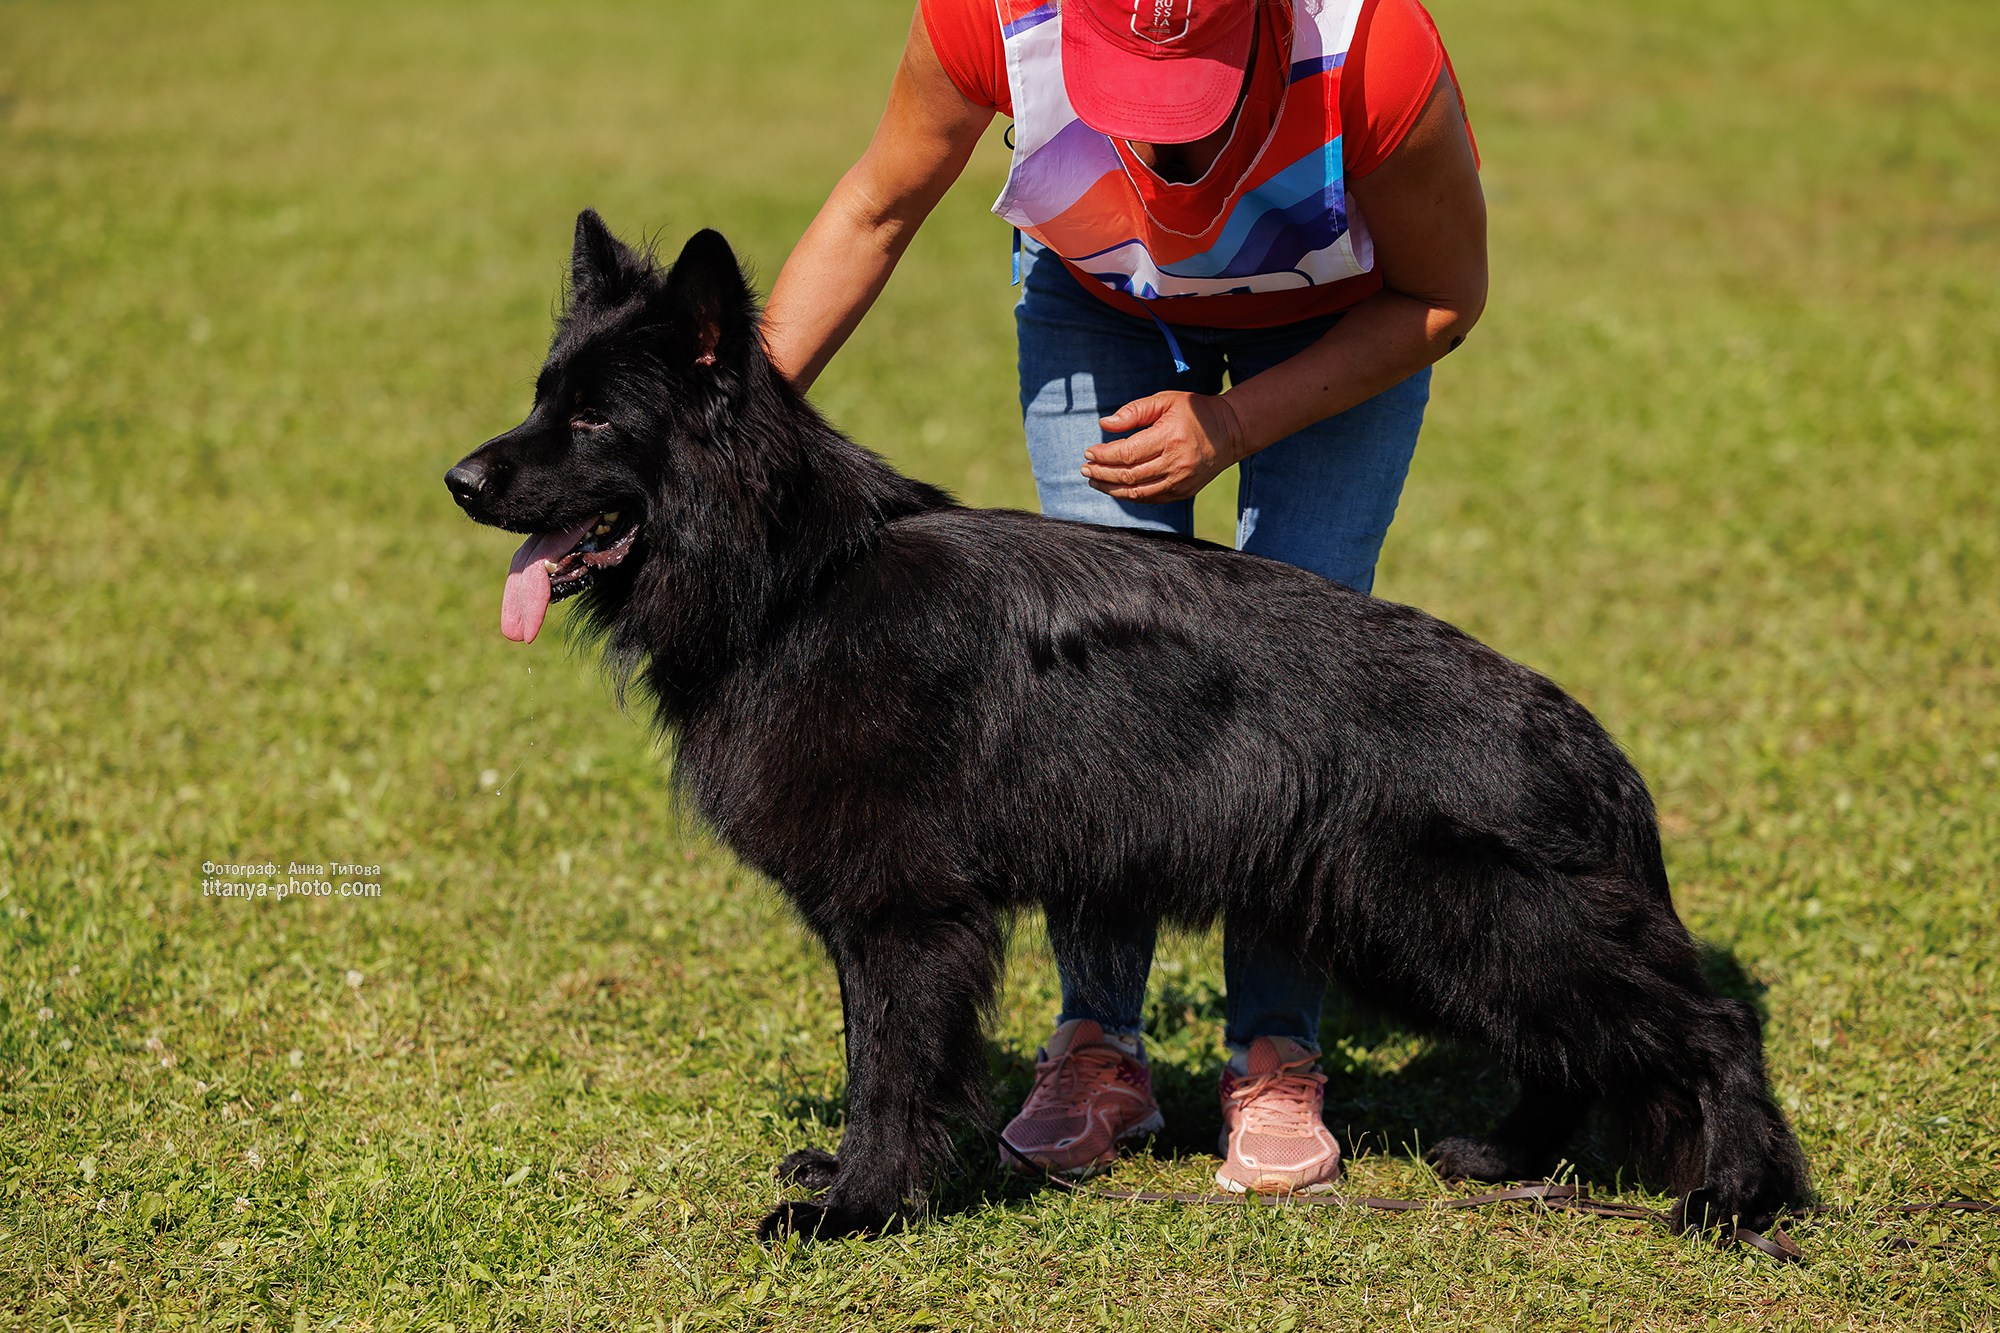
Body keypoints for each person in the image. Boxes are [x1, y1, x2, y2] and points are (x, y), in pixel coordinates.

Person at [762, 0, 1485, 1195]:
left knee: (1294, 676)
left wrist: (1235, 421)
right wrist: (719, 421)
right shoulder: (988, 17)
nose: (1158, 143)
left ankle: (1273, 1055)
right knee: (1091, 692)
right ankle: (1096, 1045)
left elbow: (1443, 296)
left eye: (1187, 96)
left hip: (1337, 324)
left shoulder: (1372, 52)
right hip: (1100, 303)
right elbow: (873, 207)